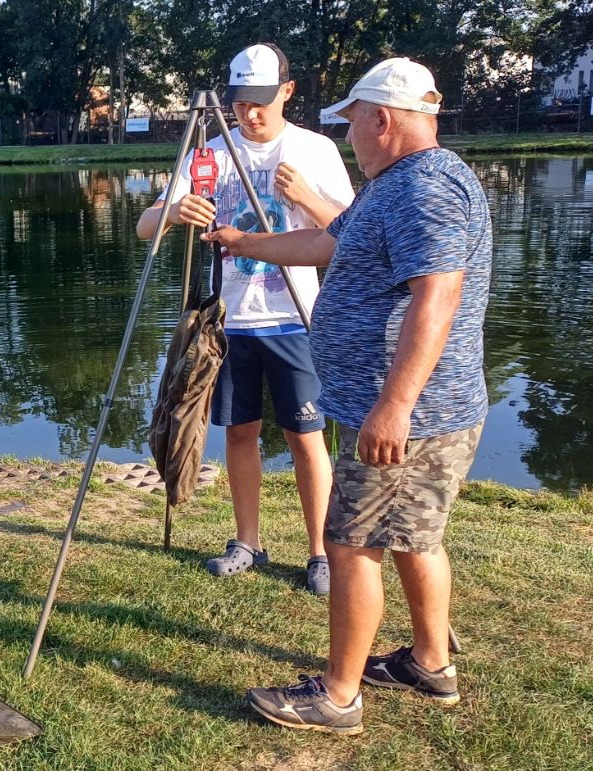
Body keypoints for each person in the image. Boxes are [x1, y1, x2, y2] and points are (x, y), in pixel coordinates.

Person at [206, 58, 492, 735]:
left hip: (406, 412)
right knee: (415, 536)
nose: (348, 133)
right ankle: (429, 662)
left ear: (382, 119)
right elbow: (324, 241)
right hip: (413, 408)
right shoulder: (391, 185)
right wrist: (246, 241)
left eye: (353, 120)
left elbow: (439, 295)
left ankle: (336, 697)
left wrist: (393, 404)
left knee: (350, 541)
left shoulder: (426, 189)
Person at [136, 43, 355, 595]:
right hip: (229, 322)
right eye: (239, 103)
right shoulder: (209, 153)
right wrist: (172, 212)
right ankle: (247, 541)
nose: (250, 114)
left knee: (308, 437)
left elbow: (349, 237)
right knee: (239, 432)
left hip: (295, 317)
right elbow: (144, 228)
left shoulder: (316, 150)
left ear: (287, 91)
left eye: (261, 101)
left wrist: (307, 197)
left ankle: (319, 552)